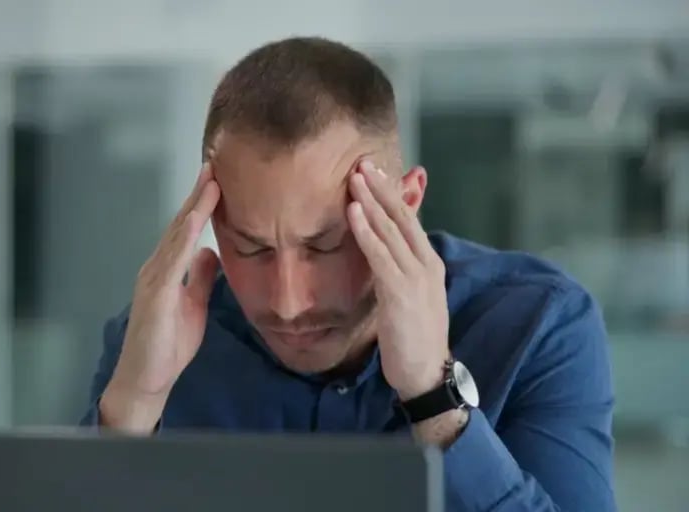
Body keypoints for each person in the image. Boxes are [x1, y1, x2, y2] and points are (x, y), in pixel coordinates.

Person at [80, 37, 616, 511]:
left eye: (324, 246)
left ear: (405, 203)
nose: (288, 303)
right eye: (252, 248)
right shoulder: (155, 344)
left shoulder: (539, 325)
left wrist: (433, 396)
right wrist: (135, 407)